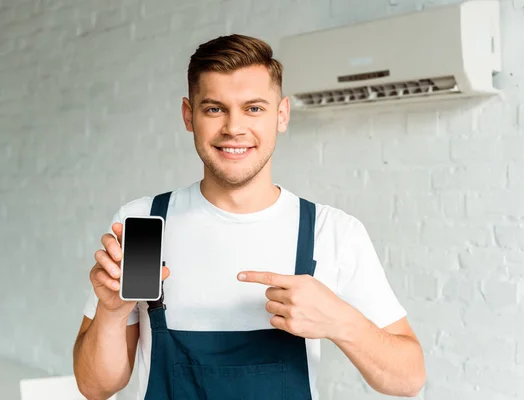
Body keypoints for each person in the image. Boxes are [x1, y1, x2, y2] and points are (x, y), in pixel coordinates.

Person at [72, 34, 426, 400]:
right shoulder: (142, 221)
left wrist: (341, 321)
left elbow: (408, 379)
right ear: (188, 115)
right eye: (214, 109)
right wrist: (111, 313)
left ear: (282, 114)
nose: (233, 128)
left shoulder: (332, 232)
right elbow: (94, 387)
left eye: (253, 108)